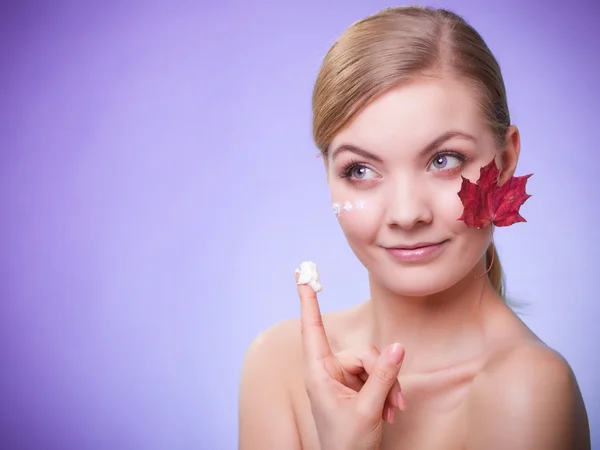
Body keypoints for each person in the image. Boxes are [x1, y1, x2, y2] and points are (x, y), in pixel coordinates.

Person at [238, 6, 591, 449]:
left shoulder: (527, 390)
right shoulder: (278, 364)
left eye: (444, 161)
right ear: (326, 176)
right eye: (360, 170)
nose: (406, 214)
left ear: (504, 161)